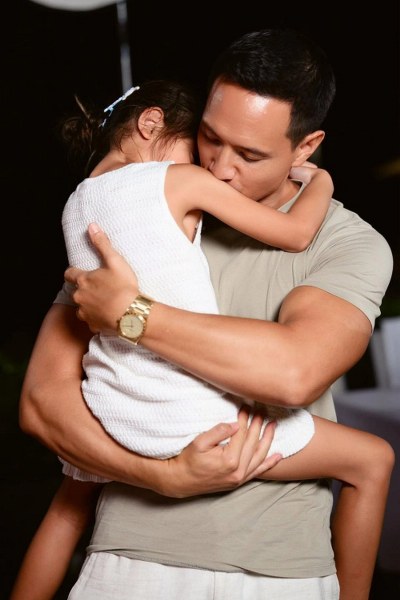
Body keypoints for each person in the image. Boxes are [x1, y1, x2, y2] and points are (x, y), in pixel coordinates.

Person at [17, 27, 394, 600]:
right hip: (128, 561)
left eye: (249, 155)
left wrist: (132, 313)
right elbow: (44, 405)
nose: (219, 168)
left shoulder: (347, 244)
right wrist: (164, 477)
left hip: (281, 573)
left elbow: (293, 373)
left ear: (306, 148)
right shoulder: (135, 216)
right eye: (210, 138)